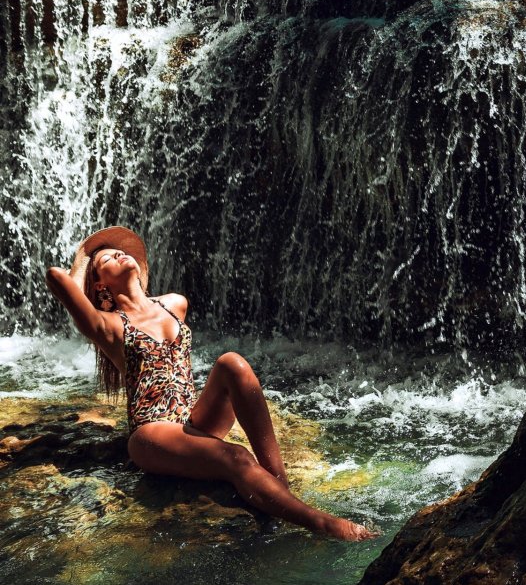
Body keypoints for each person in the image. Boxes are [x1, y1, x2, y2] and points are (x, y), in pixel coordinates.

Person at [44, 225, 381, 542]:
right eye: (108, 259)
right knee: (235, 457)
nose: (119, 255)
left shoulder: (174, 304)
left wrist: (101, 256)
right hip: (152, 433)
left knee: (232, 363)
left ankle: (280, 488)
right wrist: (87, 254)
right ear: (100, 285)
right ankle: (321, 523)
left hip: (193, 423)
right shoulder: (108, 325)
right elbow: (57, 278)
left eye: (120, 251)